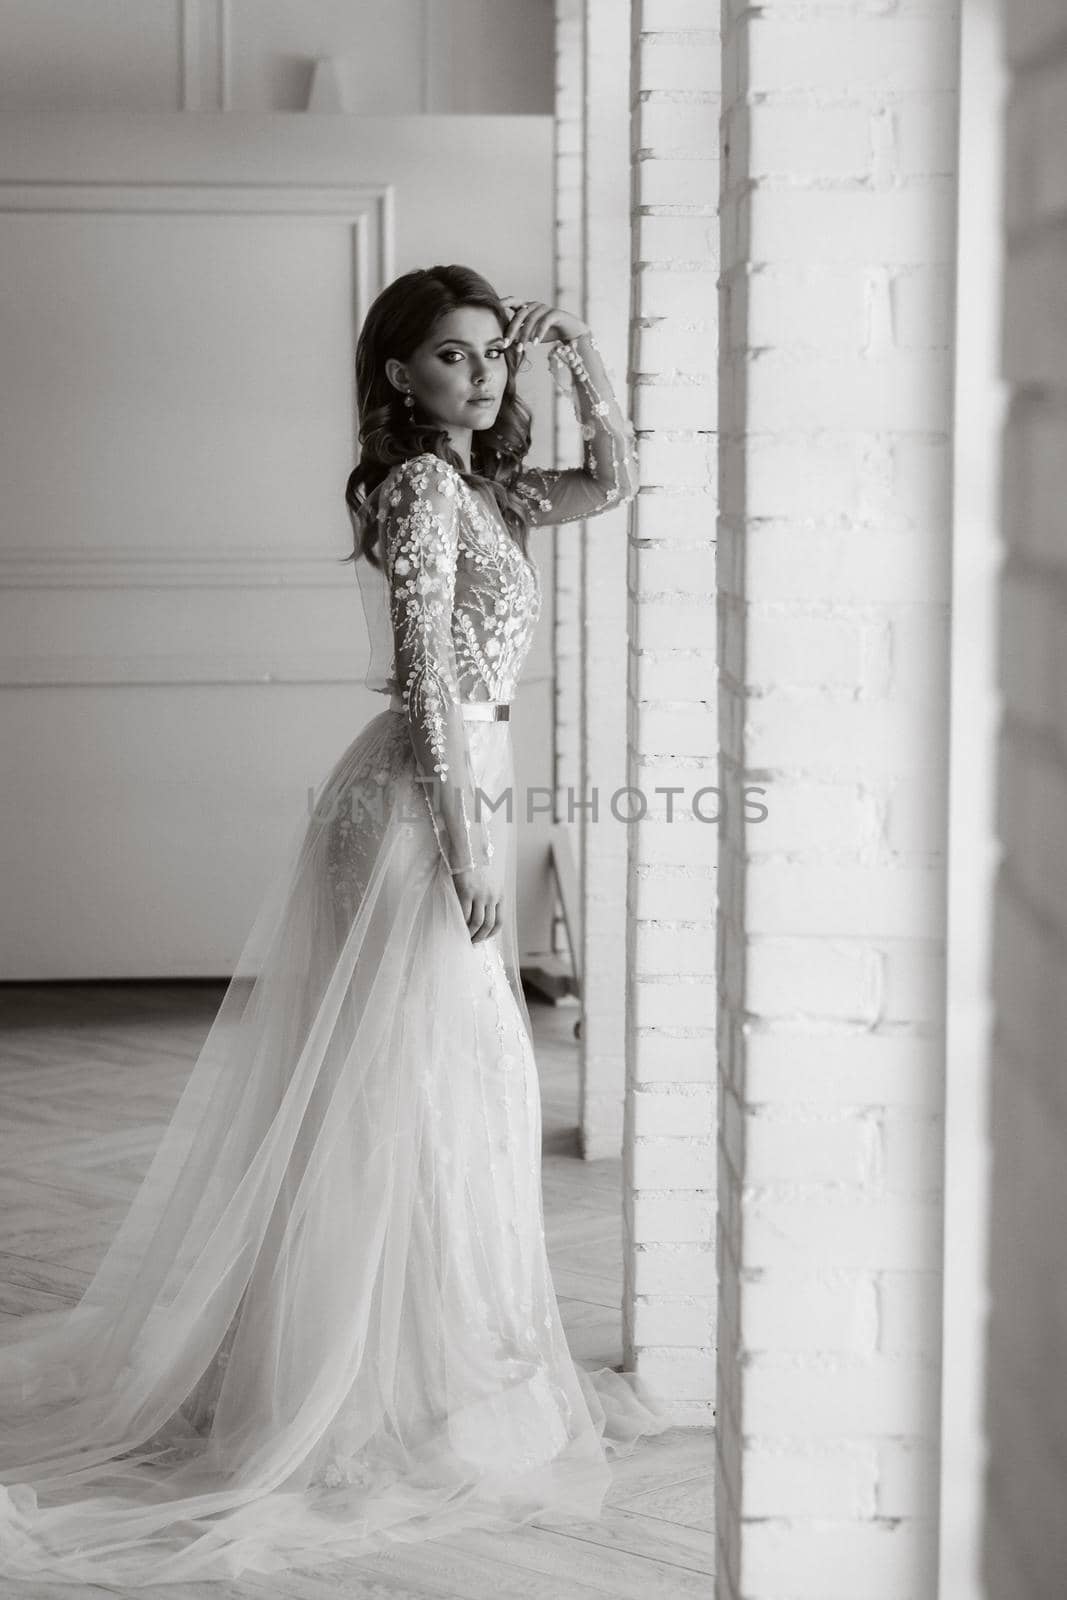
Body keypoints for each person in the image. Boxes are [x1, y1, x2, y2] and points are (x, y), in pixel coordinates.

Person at [0, 264, 671, 1585]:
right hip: (421, 804)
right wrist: (473, 848)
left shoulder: (492, 491)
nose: (481, 376)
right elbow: (427, 674)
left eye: (493, 356)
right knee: (406, 1082)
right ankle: (355, 1386)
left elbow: (619, 483)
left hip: (457, 783)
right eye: (452, 358)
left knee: (450, 1084)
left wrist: (581, 350)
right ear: (396, 380)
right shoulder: (425, 489)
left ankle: (427, 1368)